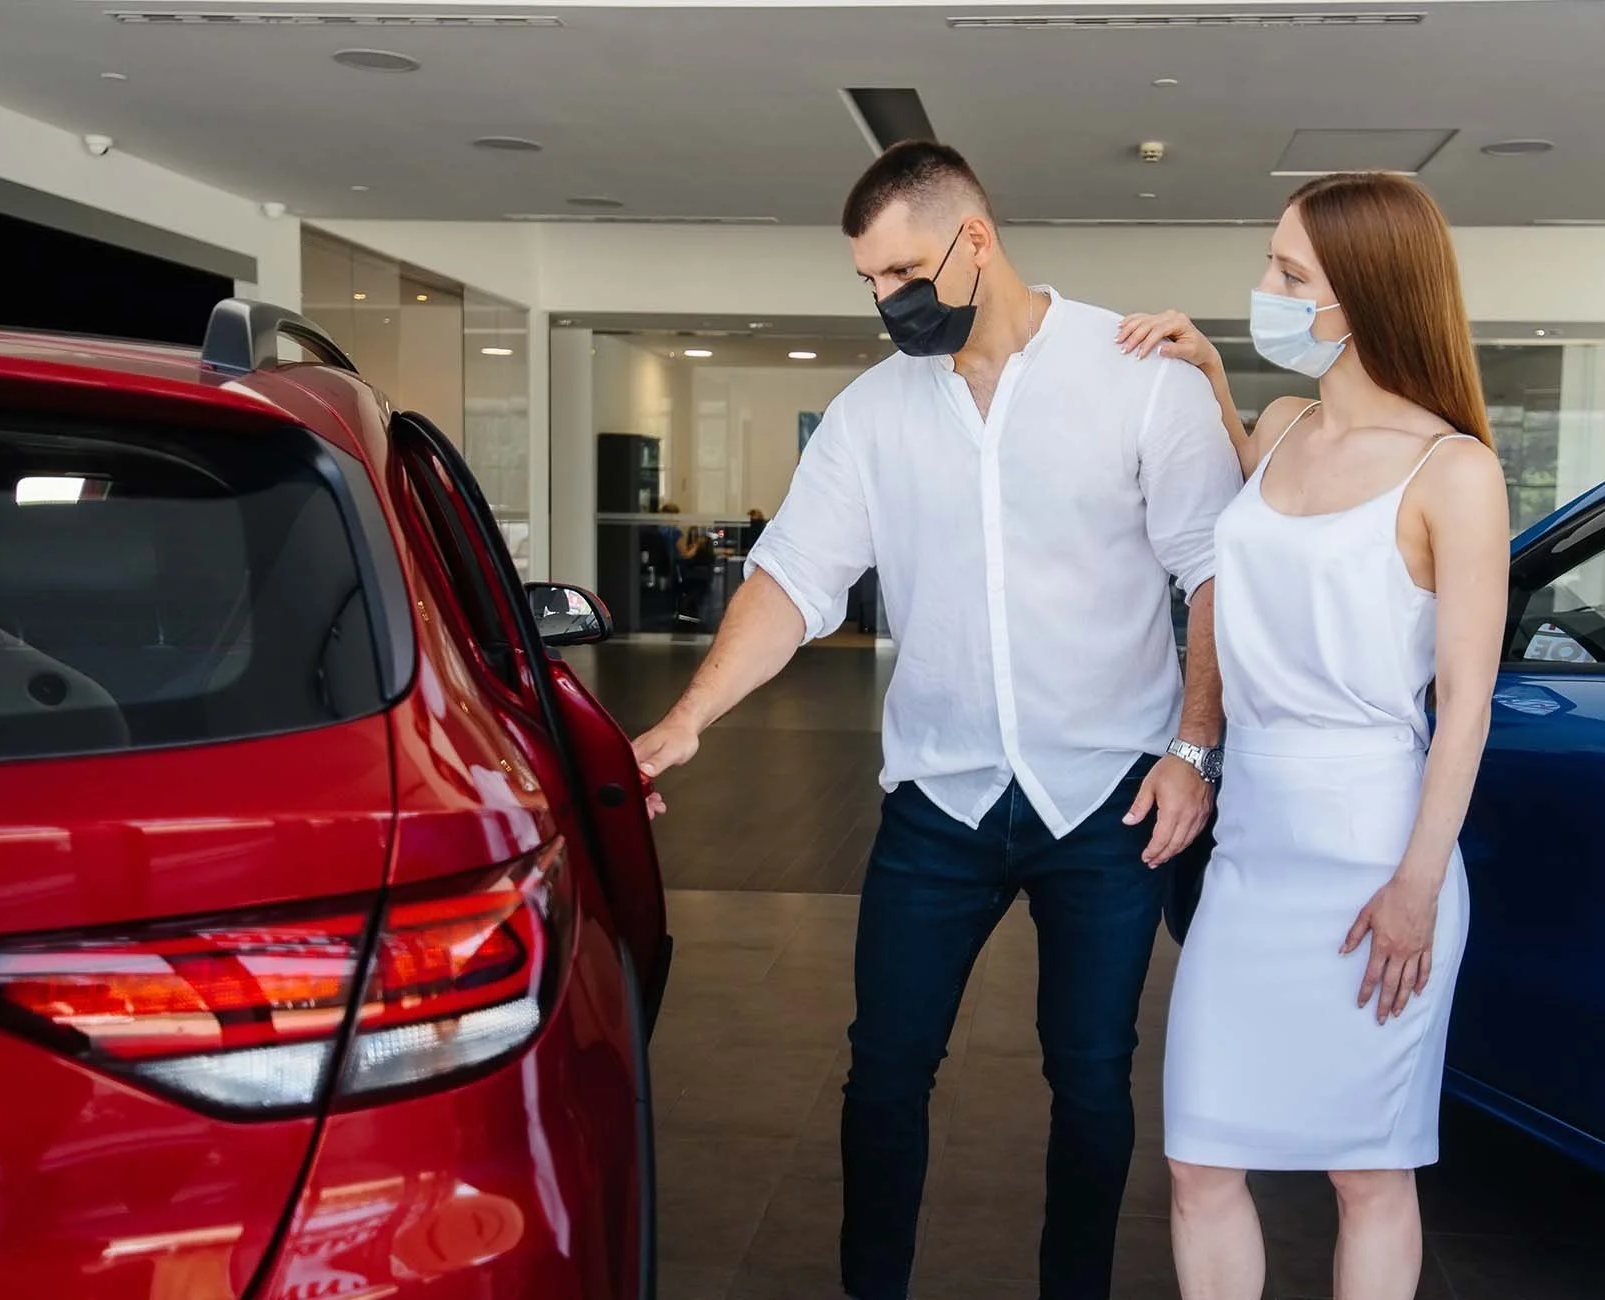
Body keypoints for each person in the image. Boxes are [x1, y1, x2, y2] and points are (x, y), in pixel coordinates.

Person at [633, 141, 1238, 1300]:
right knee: (883, 1075)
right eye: (867, 280)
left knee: (1091, 1081)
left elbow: (1212, 568)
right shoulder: (871, 413)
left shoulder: (1136, 378)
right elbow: (793, 577)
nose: (885, 299)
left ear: (975, 239)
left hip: (1106, 798)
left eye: (903, 272)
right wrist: (690, 715)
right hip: (937, 801)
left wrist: (1192, 747)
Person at [1117, 171, 1509, 1300]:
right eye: (1272, 265)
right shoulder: (1283, 426)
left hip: (1375, 855)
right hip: (1253, 852)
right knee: (1198, 1159)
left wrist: (1416, 887)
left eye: (1289, 274)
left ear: (1364, 293)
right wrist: (1206, 372)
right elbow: (1260, 536)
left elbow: (1466, 704)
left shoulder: (1454, 470)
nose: (1266, 289)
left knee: (1366, 1172)